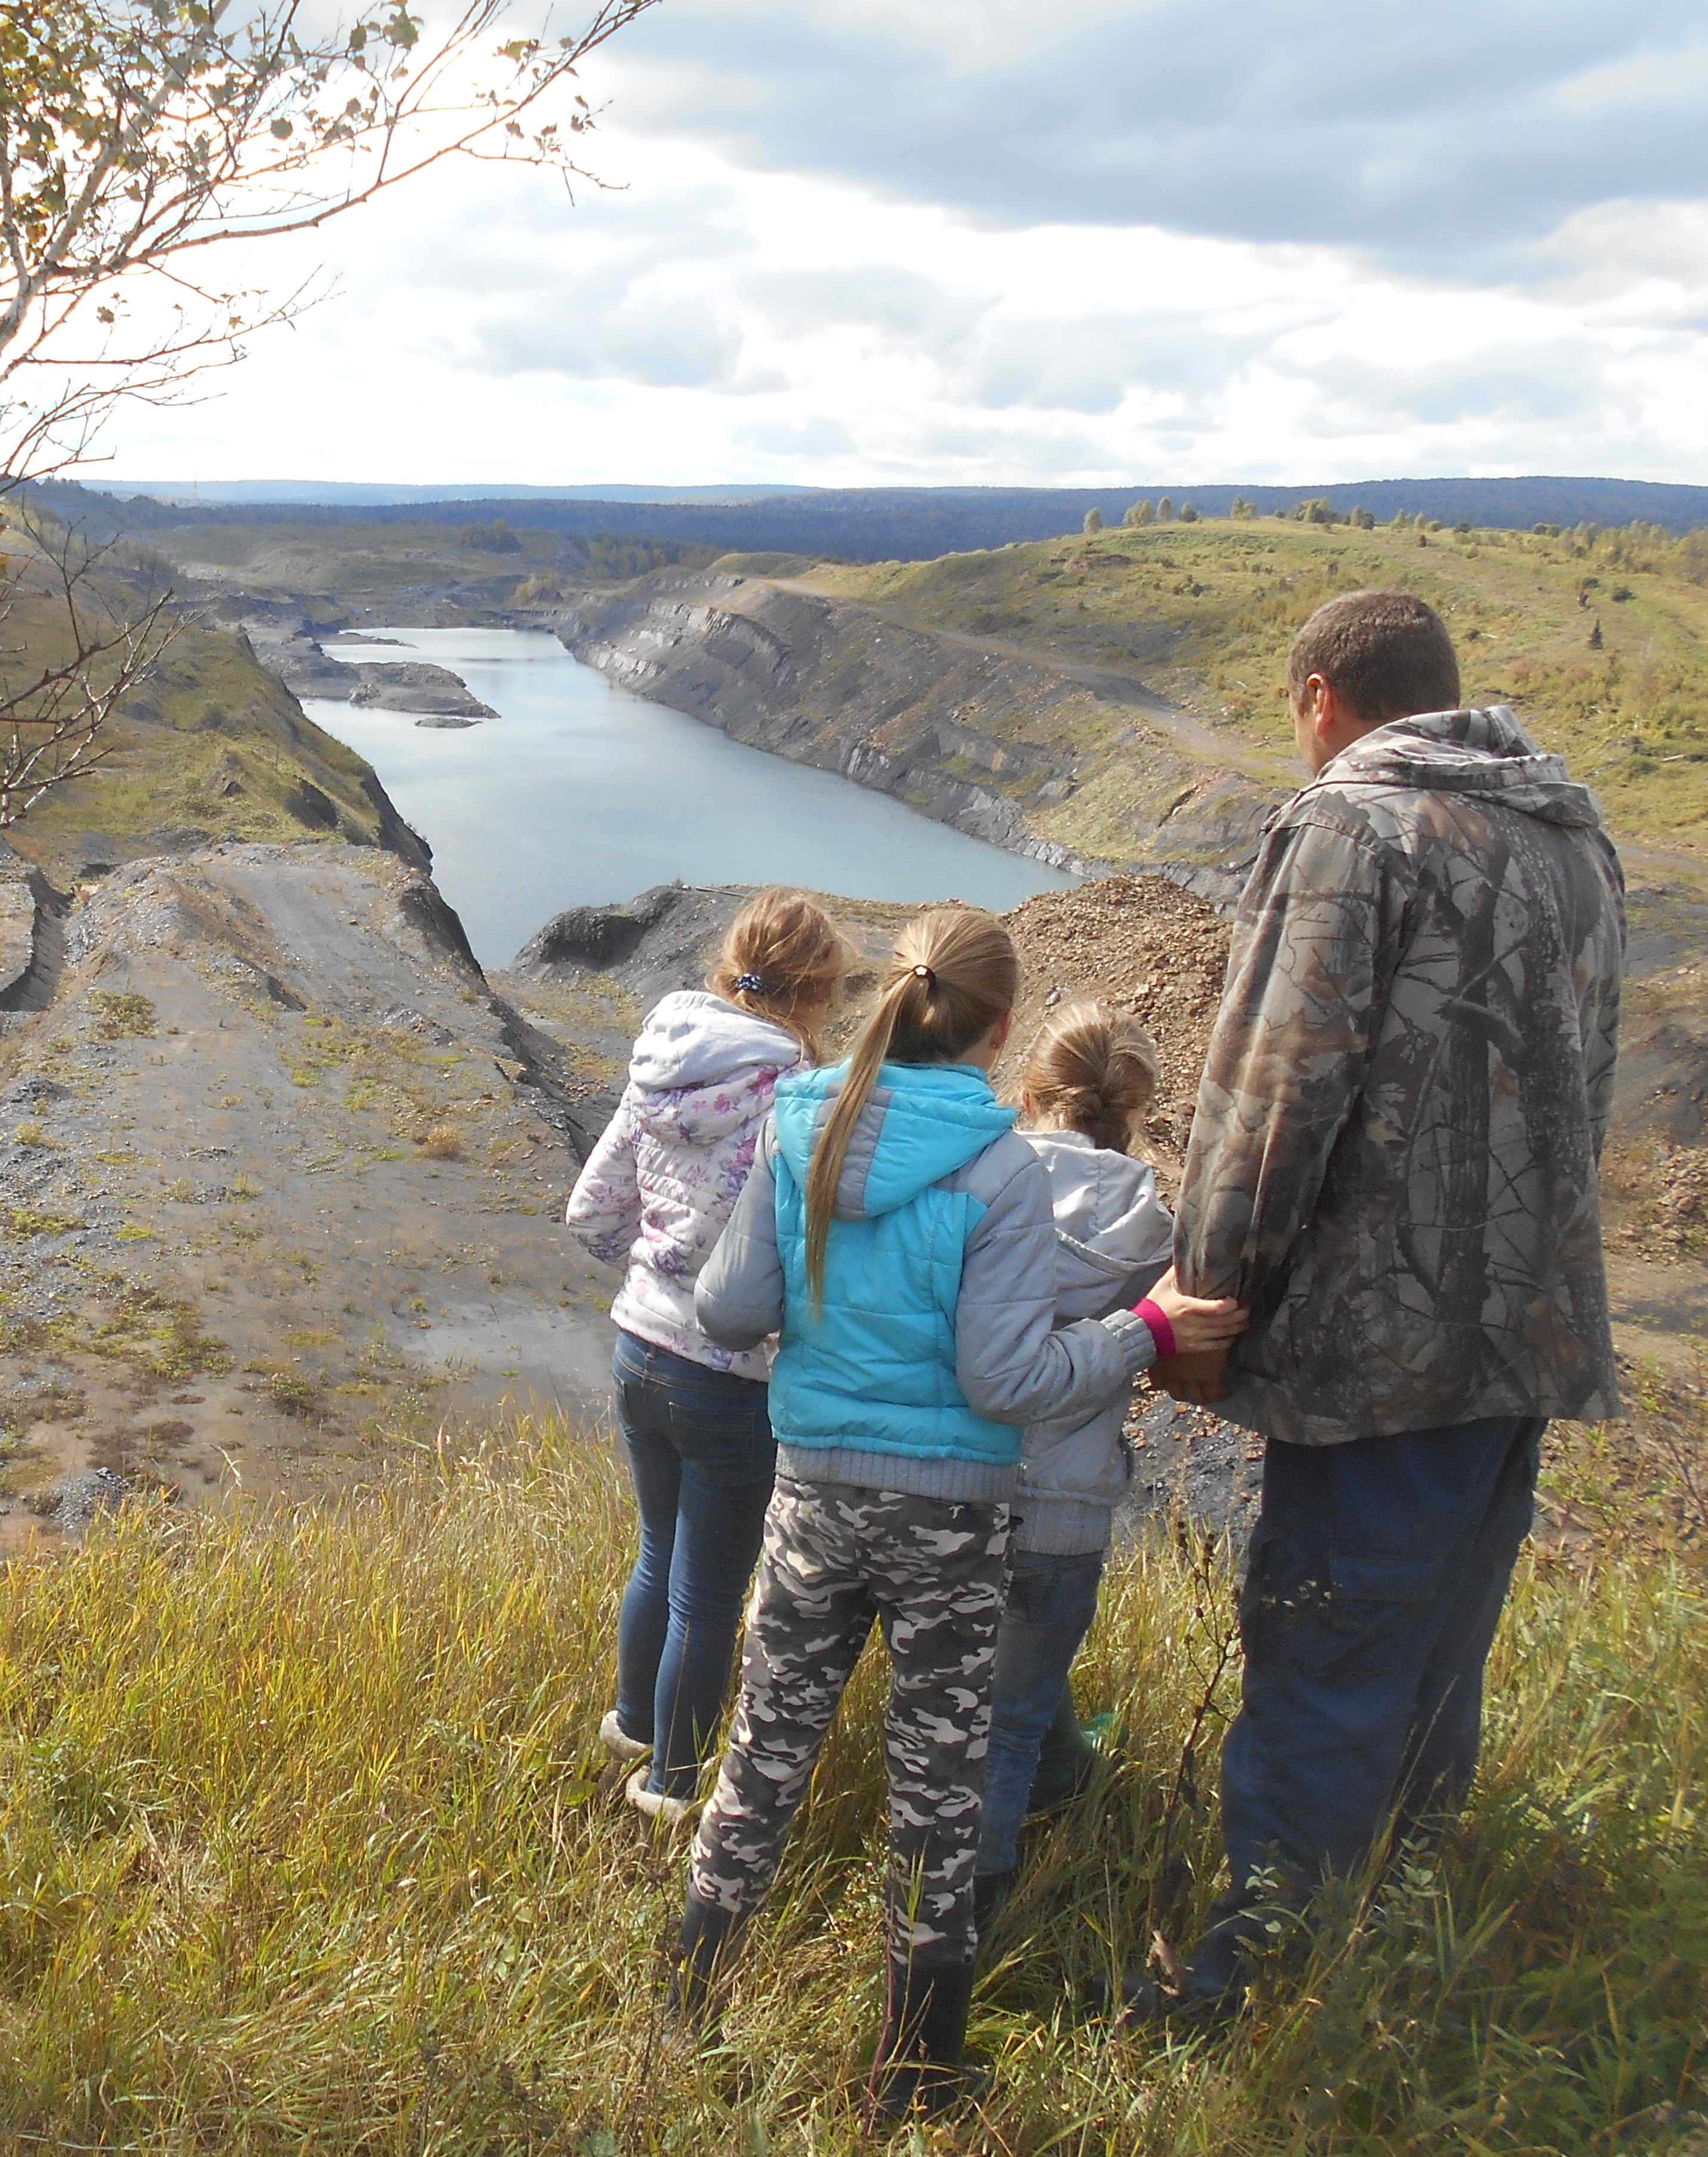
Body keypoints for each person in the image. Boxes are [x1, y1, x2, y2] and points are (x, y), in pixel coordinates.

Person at [1136, 589, 1627, 2026]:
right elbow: (1581, 1081)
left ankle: (1259, 1982)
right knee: (1430, 1658)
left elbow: (1272, 1090)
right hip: (1522, 1334)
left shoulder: (1349, 829)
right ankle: (1391, 1940)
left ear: (1316, 699)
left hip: (1375, 1346)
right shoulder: (1569, 833)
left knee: (1326, 1652)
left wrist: (1202, 1301)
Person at [670, 908, 1246, 2123]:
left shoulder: (801, 1126)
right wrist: (1139, 1334)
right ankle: (914, 2068)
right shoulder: (994, 1169)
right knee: (937, 1783)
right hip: (948, 1519)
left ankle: (687, 2005)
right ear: (996, 1031)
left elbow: (726, 1314)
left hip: (811, 1493)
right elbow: (1007, 1384)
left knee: (766, 1749)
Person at [566, 887, 849, 1823]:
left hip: (638, 1348)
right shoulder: (799, 1097)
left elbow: (592, 1212)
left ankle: (634, 1729)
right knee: (712, 1599)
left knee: (657, 1558)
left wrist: (657, 1273)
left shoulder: (661, 1071)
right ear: (819, 992)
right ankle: (674, 1792)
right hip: (731, 1379)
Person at [974, 1001, 1173, 1928]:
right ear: (1130, 1108)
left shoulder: (980, 1179)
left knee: (960, 1715)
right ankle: (998, 1880)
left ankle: (963, 1909)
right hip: (1065, 1512)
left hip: (960, 1486)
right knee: (1010, 1718)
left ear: (1031, 1086)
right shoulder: (1156, 1226)